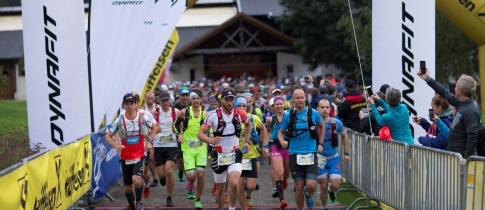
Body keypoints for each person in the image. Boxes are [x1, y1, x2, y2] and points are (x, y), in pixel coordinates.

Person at [197, 87, 252, 210]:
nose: (229, 103)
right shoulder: (213, 115)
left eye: (232, 100)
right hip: (219, 155)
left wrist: (247, 142)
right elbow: (200, 134)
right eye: (227, 100)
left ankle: (232, 207)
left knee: (234, 183)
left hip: (234, 153)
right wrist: (211, 140)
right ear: (222, 100)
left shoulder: (240, 114)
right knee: (220, 189)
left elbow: (249, 125)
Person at [105, 92, 158, 210]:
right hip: (125, 156)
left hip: (140, 154)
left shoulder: (143, 117)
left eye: (131, 103)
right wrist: (115, 145)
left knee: (137, 180)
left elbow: (156, 127)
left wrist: (149, 141)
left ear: (135, 105)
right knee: (128, 187)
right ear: (123, 106)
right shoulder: (120, 120)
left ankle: (139, 202)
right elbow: (107, 136)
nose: (129, 106)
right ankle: (133, 206)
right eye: (126, 104)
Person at [277, 88, 325, 210]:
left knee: (311, 185)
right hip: (295, 154)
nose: (300, 100)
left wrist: (320, 143)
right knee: (298, 186)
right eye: (297, 98)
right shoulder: (288, 116)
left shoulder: (313, 113)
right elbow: (280, 132)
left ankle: (308, 194)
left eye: (302, 97)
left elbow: (322, 126)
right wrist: (282, 141)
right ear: (293, 100)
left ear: (305, 98)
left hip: (311, 153)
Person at [418, 70, 480, 158]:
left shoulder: (470, 110)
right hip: (456, 159)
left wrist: (466, 161)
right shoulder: (460, 103)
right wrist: (427, 78)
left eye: (456, 87)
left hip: (463, 162)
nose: (454, 88)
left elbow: (472, 138)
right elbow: (444, 92)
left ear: (460, 91)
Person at [173, 89, 207, 209]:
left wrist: (211, 134)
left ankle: (198, 199)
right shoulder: (184, 112)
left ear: (201, 99)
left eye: (198, 98)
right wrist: (180, 134)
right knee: (191, 176)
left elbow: (210, 127)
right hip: (188, 148)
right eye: (194, 98)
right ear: (190, 100)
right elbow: (175, 125)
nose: (196, 101)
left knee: (201, 174)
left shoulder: (205, 114)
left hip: (201, 147)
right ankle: (190, 183)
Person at [234, 97, 269, 208]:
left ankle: (248, 197)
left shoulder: (253, 118)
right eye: (239, 106)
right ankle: (244, 206)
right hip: (236, 157)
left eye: (244, 106)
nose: (242, 108)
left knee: (250, 186)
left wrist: (264, 146)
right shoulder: (231, 119)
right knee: (239, 185)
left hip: (251, 156)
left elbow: (263, 129)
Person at [316, 99, 350, 208]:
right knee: (323, 185)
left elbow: (345, 136)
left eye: (327, 107)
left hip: (333, 158)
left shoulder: (336, 122)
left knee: (335, 186)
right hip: (319, 158)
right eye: (322, 107)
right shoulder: (313, 123)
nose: (325, 109)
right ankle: (324, 207)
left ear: (330, 109)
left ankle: (332, 191)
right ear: (318, 109)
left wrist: (346, 153)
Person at [152, 92, 180, 207]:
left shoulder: (175, 112)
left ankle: (169, 197)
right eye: (162, 101)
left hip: (172, 145)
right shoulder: (155, 113)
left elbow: (181, 125)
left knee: (169, 171)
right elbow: (151, 126)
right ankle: (162, 179)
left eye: (166, 100)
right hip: (159, 145)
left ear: (170, 101)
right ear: (159, 102)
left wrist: (181, 134)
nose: (165, 103)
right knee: (161, 175)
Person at [266, 96, 290, 209]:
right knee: (279, 172)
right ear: (273, 107)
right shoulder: (271, 119)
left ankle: (284, 181)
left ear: (284, 105)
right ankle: (282, 200)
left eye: (281, 104)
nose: (279, 106)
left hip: (288, 147)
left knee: (286, 174)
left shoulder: (289, 117)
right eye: (277, 104)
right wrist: (265, 146)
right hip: (276, 147)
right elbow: (268, 132)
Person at [141, 91, 160, 192]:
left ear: (154, 98)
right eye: (148, 98)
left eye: (151, 98)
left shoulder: (158, 108)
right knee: (151, 158)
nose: (150, 100)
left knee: (158, 158)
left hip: (160, 135)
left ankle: (160, 175)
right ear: (145, 98)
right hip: (149, 137)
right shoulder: (143, 110)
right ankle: (155, 178)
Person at [174, 86, 190, 183]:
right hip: (179, 136)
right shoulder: (175, 107)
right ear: (179, 96)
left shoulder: (194, 105)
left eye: (186, 95)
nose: (184, 98)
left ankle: (189, 178)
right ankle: (180, 170)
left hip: (191, 136)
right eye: (182, 95)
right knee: (180, 161)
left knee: (189, 159)